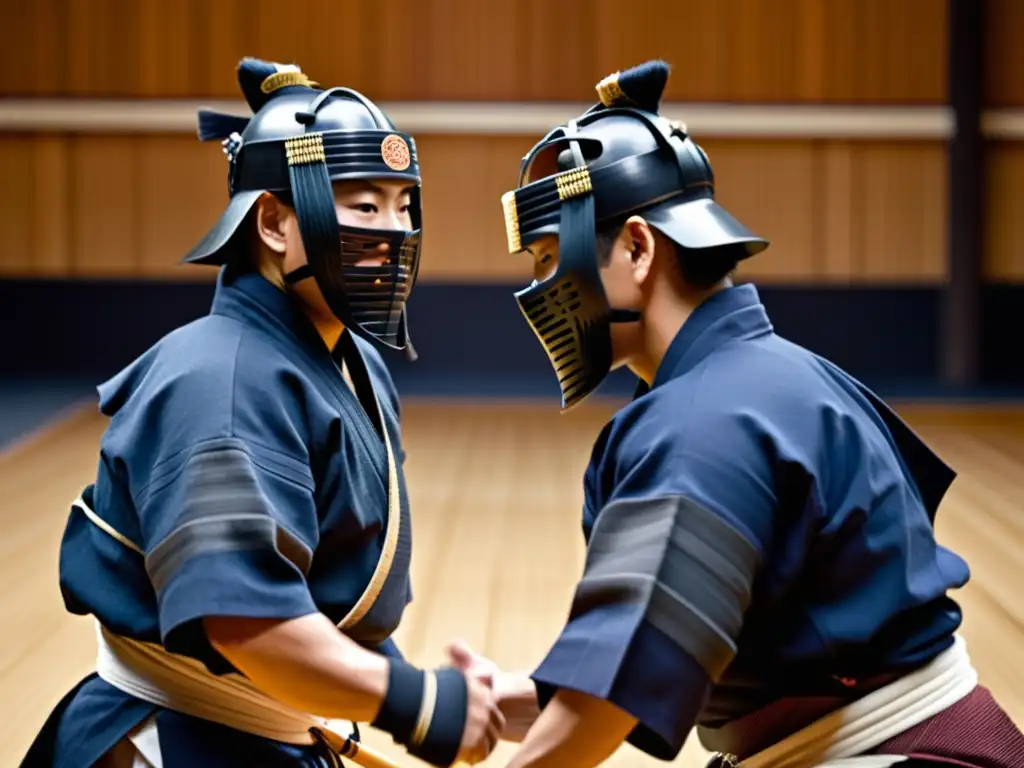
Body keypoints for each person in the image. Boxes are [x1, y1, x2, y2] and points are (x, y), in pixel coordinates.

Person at [450, 60, 1024, 767]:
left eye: (547, 260)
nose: (541, 290)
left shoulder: (704, 422)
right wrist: (501, 703)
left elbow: (613, 698)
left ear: (636, 247)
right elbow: (660, 657)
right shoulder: (773, 377)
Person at [21, 58, 503, 768]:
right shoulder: (220, 378)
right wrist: (415, 702)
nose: (394, 233)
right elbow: (245, 621)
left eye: (405, 206)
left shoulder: (354, 362)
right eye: (365, 207)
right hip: (177, 741)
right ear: (274, 221)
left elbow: (332, 587)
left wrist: (446, 690)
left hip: (272, 734)